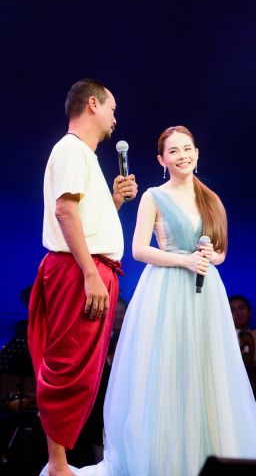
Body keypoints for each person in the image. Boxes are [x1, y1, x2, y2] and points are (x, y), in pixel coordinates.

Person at [78, 126, 256, 475]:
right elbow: (139, 250)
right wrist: (184, 260)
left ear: (197, 153)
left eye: (187, 149)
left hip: (206, 293)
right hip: (166, 291)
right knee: (168, 371)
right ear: (162, 160)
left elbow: (222, 253)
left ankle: (207, 456)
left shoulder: (211, 199)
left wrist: (210, 256)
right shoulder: (153, 197)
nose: (182, 155)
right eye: (173, 151)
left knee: (207, 370)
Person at [28, 79, 137, 476]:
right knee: (66, 365)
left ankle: (61, 463)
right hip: (78, 270)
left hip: (88, 268)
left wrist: (115, 201)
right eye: (111, 108)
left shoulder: (83, 156)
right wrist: (90, 273)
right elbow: (65, 212)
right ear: (92, 104)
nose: (114, 118)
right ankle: (57, 465)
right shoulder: (72, 149)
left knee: (81, 370)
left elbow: (85, 220)